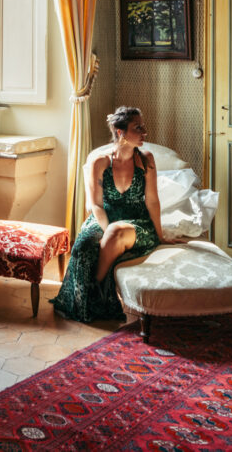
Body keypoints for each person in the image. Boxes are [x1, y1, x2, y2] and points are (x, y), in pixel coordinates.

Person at [52, 106, 180, 322]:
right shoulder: (100, 162)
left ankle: (96, 293)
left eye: (143, 126)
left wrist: (160, 236)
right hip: (103, 218)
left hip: (137, 223)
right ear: (120, 132)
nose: (144, 132)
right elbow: (96, 205)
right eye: (138, 127)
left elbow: (152, 201)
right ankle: (80, 299)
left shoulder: (146, 159)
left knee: (117, 233)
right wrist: (106, 231)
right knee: (83, 246)